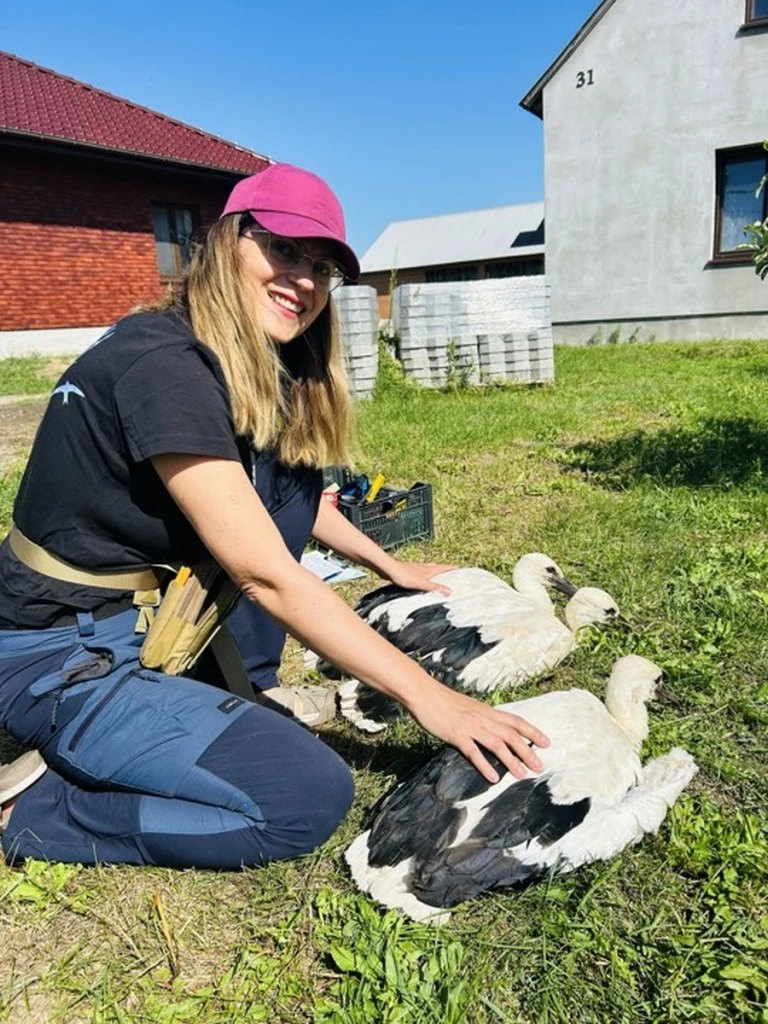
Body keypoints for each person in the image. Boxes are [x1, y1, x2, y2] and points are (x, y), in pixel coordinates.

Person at [0, 163, 548, 870]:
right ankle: (35, 813)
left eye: (322, 267)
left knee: (287, 474)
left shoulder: (232, 357)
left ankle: (226, 690)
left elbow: (293, 503)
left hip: (125, 623)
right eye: (283, 250)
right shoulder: (165, 367)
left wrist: (387, 564)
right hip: (60, 654)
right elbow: (266, 574)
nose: (306, 280)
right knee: (303, 796)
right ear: (228, 240)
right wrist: (431, 698)